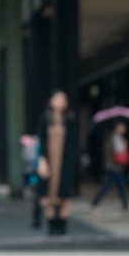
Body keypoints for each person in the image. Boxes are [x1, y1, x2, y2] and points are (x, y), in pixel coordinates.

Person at [37, 90, 80, 235]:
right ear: (51, 101)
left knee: (64, 194)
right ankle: (51, 227)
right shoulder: (45, 119)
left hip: (65, 161)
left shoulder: (70, 119)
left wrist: (73, 162)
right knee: (48, 193)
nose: (61, 101)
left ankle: (62, 227)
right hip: (49, 160)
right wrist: (42, 160)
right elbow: (41, 140)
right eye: (58, 98)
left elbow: (73, 143)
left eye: (64, 99)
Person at [91, 120, 129, 214]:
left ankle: (125, 206)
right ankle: (95, 203)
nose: (122, 129)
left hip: (118, 166)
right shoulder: (111, 138)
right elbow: (110, 152)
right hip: (113, 166)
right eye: (120, 127)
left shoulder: (120, 138)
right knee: (108, 186)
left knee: (121, 186)